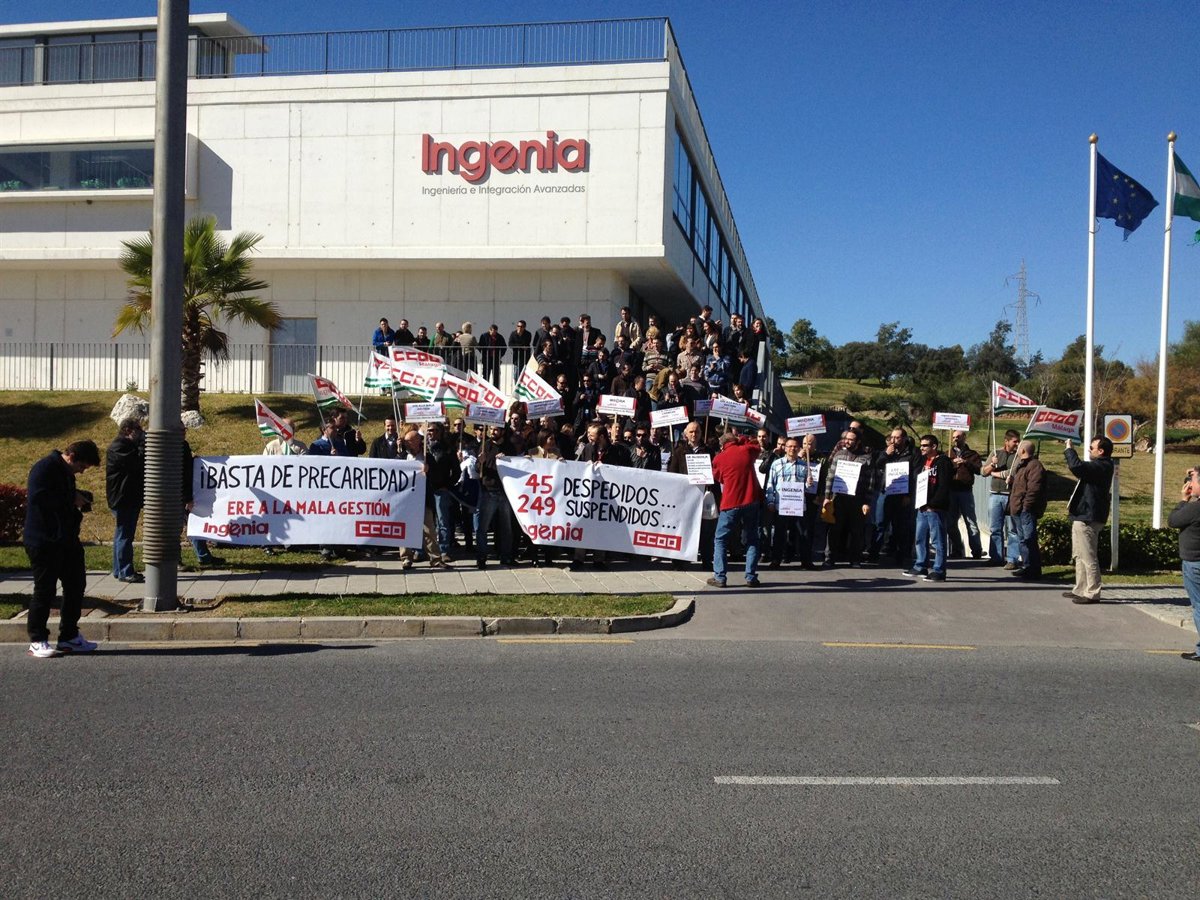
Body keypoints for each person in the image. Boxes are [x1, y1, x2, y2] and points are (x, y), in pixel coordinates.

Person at [23, 440, 101, 657]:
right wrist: (71, 498)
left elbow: (60, 494)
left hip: (66, 540)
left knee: (76, 585)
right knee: (45, 590)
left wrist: (79, 496)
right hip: (44, 540)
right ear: (71, 456)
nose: (82, 471)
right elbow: (39, 498)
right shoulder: (45, 468)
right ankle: (37, 639)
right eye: (81, 466)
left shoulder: (65, 472)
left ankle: (69, 636)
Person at [708, 431, 763, 588]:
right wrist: (742, 439)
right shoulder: (745, 450)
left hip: (731, 502)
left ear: (722, 445)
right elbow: (756, 446)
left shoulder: (719, 458)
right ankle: (751, 577)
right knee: (752, 539)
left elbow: (718, 477)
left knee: (720, 539)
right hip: (751, 500)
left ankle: (720, 577)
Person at [1063, 435, 1114, 604]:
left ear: (1101, 451)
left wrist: (1069, 449)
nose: (1089, 450)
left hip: (1089, 516)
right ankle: (1080, 588)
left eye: (1092, 448)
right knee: (1079, 555)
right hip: (1082, 514)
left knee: (1088, 556)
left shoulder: (1103, 466)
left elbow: (1076, 466)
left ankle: (1092, 592)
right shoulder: (1098, 466)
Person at [904, 433, 952, 582]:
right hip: (922, 506)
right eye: (921, 445)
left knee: (937, 541)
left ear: (934, 446)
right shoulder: (923, 460)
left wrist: (934, 504)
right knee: (920, 538)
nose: (922, 448)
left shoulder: (943, 462)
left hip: (935, 508)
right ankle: (921, 565)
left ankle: (939, 570)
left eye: (925, 445)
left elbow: (944, 486)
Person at [823, 429, 872, 567]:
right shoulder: (839, 455)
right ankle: (829, 558)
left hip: (857, 500)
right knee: (834, 529)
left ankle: (855, 559)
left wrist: (867, 501)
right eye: (846, 439)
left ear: (858, 442)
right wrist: (827, 496)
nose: (847, 441)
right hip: (839, 498)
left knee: (856, 530)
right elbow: (830, 476)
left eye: (851, 439)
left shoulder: (866, 458)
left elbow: (870, 481)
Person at [105, 417, 144, 583]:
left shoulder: (124, 446)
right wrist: (143, 445)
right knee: (125, 536)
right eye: (138, 430)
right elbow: (138, 463)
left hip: (125, 497)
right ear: (128, 430)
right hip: (124, 498)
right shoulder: (120, 447)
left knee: (121, 534)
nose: (141, 433)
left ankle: (119, 569)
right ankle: (125, 571)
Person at [1167, 466, 1200, 662]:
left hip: (1194, 563)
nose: (1189, 484)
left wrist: (1183, 500)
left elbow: (1173, 520)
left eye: (1193, 481)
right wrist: (1195, 472)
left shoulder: (1195, 508)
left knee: (1199, 606)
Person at [874, 427, 917, 568]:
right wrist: (886, 454)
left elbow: (914, 476)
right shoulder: (887, 452)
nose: (894, 440)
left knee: (900, 526)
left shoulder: (912, 454)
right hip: (886, 491)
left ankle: (900, 555)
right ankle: (874, 553)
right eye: (892, 437)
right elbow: (877, 465)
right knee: (880, 522)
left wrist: (908, 495)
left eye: (897, 437)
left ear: (904, 439)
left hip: (902, 494)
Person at [765, 436, 810, 569]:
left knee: (803, 533)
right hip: (781, 505)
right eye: (790, 446)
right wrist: (770, 501)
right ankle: (776, 560)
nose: (792, 449)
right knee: (779, 533)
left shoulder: (804, 465)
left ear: (799, 448)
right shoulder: (776, 464)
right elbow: (770, 484)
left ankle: (806, 561)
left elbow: (807, 487)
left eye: (795, 446)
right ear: (785, 448)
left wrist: (809, 483)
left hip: (799, 506)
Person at [475, 426, 515, 569]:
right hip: (488, 491)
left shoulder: (509, 447)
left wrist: (507, 459)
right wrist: (480, 462)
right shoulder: (485, 445)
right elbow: (477, 469)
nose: (492, 432)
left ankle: (506, 556)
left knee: (506, 527)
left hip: (505, 491)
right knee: (483, 527)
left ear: (503, 431)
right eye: (491, 429)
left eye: (496, 430)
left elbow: (517, 466)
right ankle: (481, 556)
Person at [1006, 440, 1047, 581]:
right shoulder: (1021, 465)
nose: (1016, 449)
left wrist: (1026, 506)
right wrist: (1012, 481)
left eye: (1019, 448)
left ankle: (1034, 570)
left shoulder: (1034, 465)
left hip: (1026, 510)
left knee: (1029, 539)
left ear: (1023, 450)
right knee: (1022, 540)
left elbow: (1034, 489)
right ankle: (1027, 566)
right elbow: (1021, 485)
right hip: (1017, 508)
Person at [982, 429, 1022, 567]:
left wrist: (995, 474)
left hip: (1011, 496)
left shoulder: (1018, 456)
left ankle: (1012, 559)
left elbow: (1013, 472)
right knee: (995, 528)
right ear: (1006, 441)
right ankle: (996, 557)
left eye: (1018, 441)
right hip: (995, 495)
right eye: (1015, 441)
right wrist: (992, 465)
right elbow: (983, 472)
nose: (1017, 444)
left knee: (1013, 529)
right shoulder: (996, 453)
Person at [946, 429, 983, 559]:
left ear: (964, 437)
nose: (955, 439)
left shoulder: (972, 454)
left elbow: (979, 470)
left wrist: (966, 462)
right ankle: (957, 549)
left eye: (958, 437)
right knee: (950, 523)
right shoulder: (948, 454)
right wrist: (952, 463)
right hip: (951, 491)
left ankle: (977, 550)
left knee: (971, 522)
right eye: (954, 437)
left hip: (965, 491)